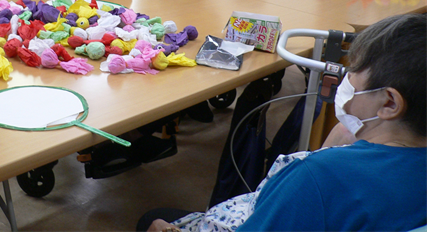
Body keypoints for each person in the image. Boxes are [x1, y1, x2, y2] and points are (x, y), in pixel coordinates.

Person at [137, 13, 427, 232]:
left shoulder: (315, 178)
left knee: (152, 218)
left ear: (389, 103)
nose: (346, 79)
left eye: (355, 71)